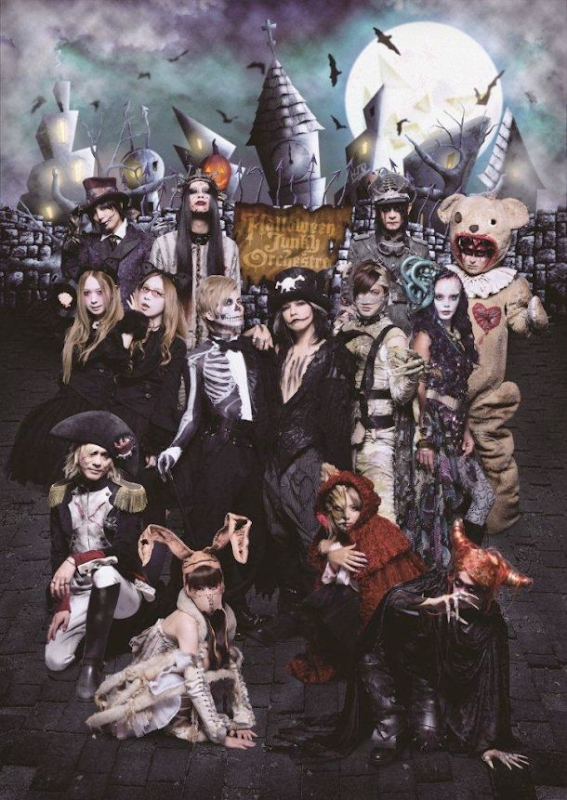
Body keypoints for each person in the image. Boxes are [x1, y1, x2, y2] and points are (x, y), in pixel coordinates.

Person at [289, 521, 532, 775]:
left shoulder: (490, 626)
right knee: (369, 658)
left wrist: (489, 745)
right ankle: (390, 722)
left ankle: (413, 716)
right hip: (396, 665)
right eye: (459, 584)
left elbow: (492, 688)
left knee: (429, 739)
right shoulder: (437, 586)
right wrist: (431, 604)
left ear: (485, 594)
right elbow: (394, 599)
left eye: (472, 589)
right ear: (451, 577)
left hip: (430, 683)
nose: (461, 593)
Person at [157, 276, 273, 631]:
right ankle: (201, 608)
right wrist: (175, 447)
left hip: (252, 448)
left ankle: (238, 600)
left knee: (251, 528)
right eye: (228, 303)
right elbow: (192, 412)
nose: (238, 308)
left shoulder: (252, 348)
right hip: (219, 449)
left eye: (239, 301)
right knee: (212, 530)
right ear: (208, 314)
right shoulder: (197, 358)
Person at [86, 517, 257, 750]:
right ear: (187, 588)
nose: (208, 595)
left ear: (222, 585)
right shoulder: (187, 622)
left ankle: (194, 715)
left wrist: (242, 719)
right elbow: (194, 680)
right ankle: (176, 724)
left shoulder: (226, 616)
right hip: (154, 686)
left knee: (221, 657)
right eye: (199, 587)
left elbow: (229, 664)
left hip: (188, 675)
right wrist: (220, 736)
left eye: (213, 585)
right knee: (191, 672)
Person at [255, 267, 354, 645]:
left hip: (310, 457)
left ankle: (320, 618)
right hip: (274, 459)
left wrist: (335, 469)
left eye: (300, 304)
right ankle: (290, 613)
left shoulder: (332, 355)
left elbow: (338, 418)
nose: (293, 312)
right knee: (278, 535)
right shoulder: (276, 352)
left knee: (312, 537)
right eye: (285, 307)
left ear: (315, 307)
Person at [44, 411, 154, 701]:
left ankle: (91, 666)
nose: (98, 462)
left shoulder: (126, 493)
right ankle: (102, 632)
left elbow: (124, 552)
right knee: (55, 660)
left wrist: (75, 560)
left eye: (106, 456)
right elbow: (58, 552)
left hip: (120, 590)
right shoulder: (60, 494)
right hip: (82, 590)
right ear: (77, 454)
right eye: (92, 453)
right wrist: (62, 604)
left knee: (104, 573)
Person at [6, 268, 148, 487]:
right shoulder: (77, 328)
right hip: (68, 405)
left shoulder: (123, 328)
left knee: (95, 482)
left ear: (112, 293)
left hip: (102, 411)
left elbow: (121, 364)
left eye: (99, 292)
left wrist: (131, 324)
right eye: (86, 293)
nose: (93, 300)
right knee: (63, 482)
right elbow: (36, 324)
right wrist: (60, 298)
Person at [288, 465, 425, 684]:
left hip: (378, 612)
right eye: (339, 509)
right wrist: (329, 553)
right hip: (347, 609)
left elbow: (379, 591)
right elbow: (320, 569)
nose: (346, 517)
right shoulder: (334, 532)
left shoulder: (377, 531)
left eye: (354, 508)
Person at [400, 258, 495, 566]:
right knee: (435, 511)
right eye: (439, 296)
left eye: (453, 297)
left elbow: (460, 391)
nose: (446, 304)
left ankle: (465, 563)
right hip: (434, 431)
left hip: (455, 430)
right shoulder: (425, 336)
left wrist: (466, 430)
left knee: (481, 497)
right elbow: (419, 390)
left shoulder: (460, 334)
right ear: (431, 297)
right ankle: (446, 571)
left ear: (460, 300)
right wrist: (424, 439)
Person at [335, 260, 424, 523]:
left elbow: (400, 395)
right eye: (361, 291)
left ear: (385, 295)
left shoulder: (393, 336)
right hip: (341, 434)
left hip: (376, 437)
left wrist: (411, 375)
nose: (366, 299)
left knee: (381, 515)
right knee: (342, 516)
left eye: (374, 292)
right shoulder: (344, 330)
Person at [150, 170, 241, 349]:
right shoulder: (164, 244)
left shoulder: (229, 248)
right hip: (172, 346)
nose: (200, 195)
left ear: (214, 200)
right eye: (193, 192)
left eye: (206, 191)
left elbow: (235, 301)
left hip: (216, 347)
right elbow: (153, 299)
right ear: (185, 201)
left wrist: (231, 344)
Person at [341, 170, 429, 334]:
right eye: (386, 209)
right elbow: (349, 292)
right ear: (377, 211)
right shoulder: (360, 246)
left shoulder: (420, 250)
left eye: (398, 209)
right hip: (368, 328)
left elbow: (425, 297)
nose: (392, 215)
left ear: (408, 209)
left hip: (408, 328)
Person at [62, 177, 154, 305]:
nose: (99, 217)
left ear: (119, 205)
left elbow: (154, 288)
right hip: (95, 315)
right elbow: (74, 283)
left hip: (132, 316)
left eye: (104, 208)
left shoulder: (145, 241)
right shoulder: (86, 244)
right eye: (94, 212)